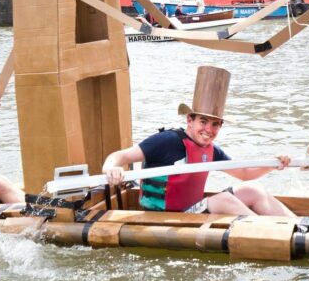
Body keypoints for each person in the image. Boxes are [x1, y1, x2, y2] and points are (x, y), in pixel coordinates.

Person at [102, 66, 294, 216]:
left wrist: (274, 163)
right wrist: (112, 167)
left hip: (193, 209)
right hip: (168, 216)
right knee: (224, 200)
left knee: (253, 190)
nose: (209, 130)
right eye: (203, 121)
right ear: (189, 120)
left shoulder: (212, 150)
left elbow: (244, 173)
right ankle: (269, 231)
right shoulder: (166, 141)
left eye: (215, 124)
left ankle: (301, 226)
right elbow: (120, 156)